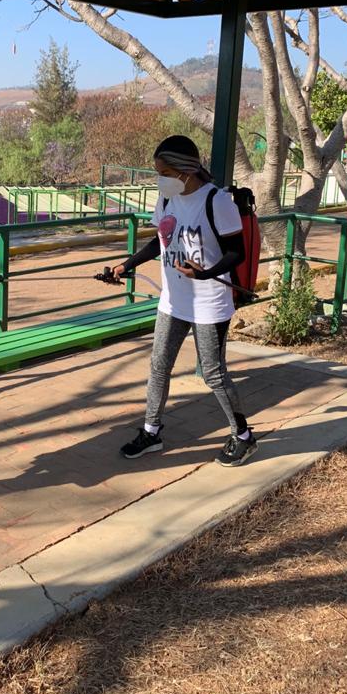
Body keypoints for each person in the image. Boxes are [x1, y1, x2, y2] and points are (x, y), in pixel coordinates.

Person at [112, 135, 256, 467]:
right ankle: (151, 432)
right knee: (159, 366)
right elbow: (159, 241)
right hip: (173, 301)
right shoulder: (166, 200)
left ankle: (244, 436)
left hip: (209, 303)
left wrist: (205, 274)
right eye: (158, 172)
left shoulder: (216, 201)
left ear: (185, 170)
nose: (160, 179)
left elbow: (237, 253)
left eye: (164, 172)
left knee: (214, 374)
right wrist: (126, 265)